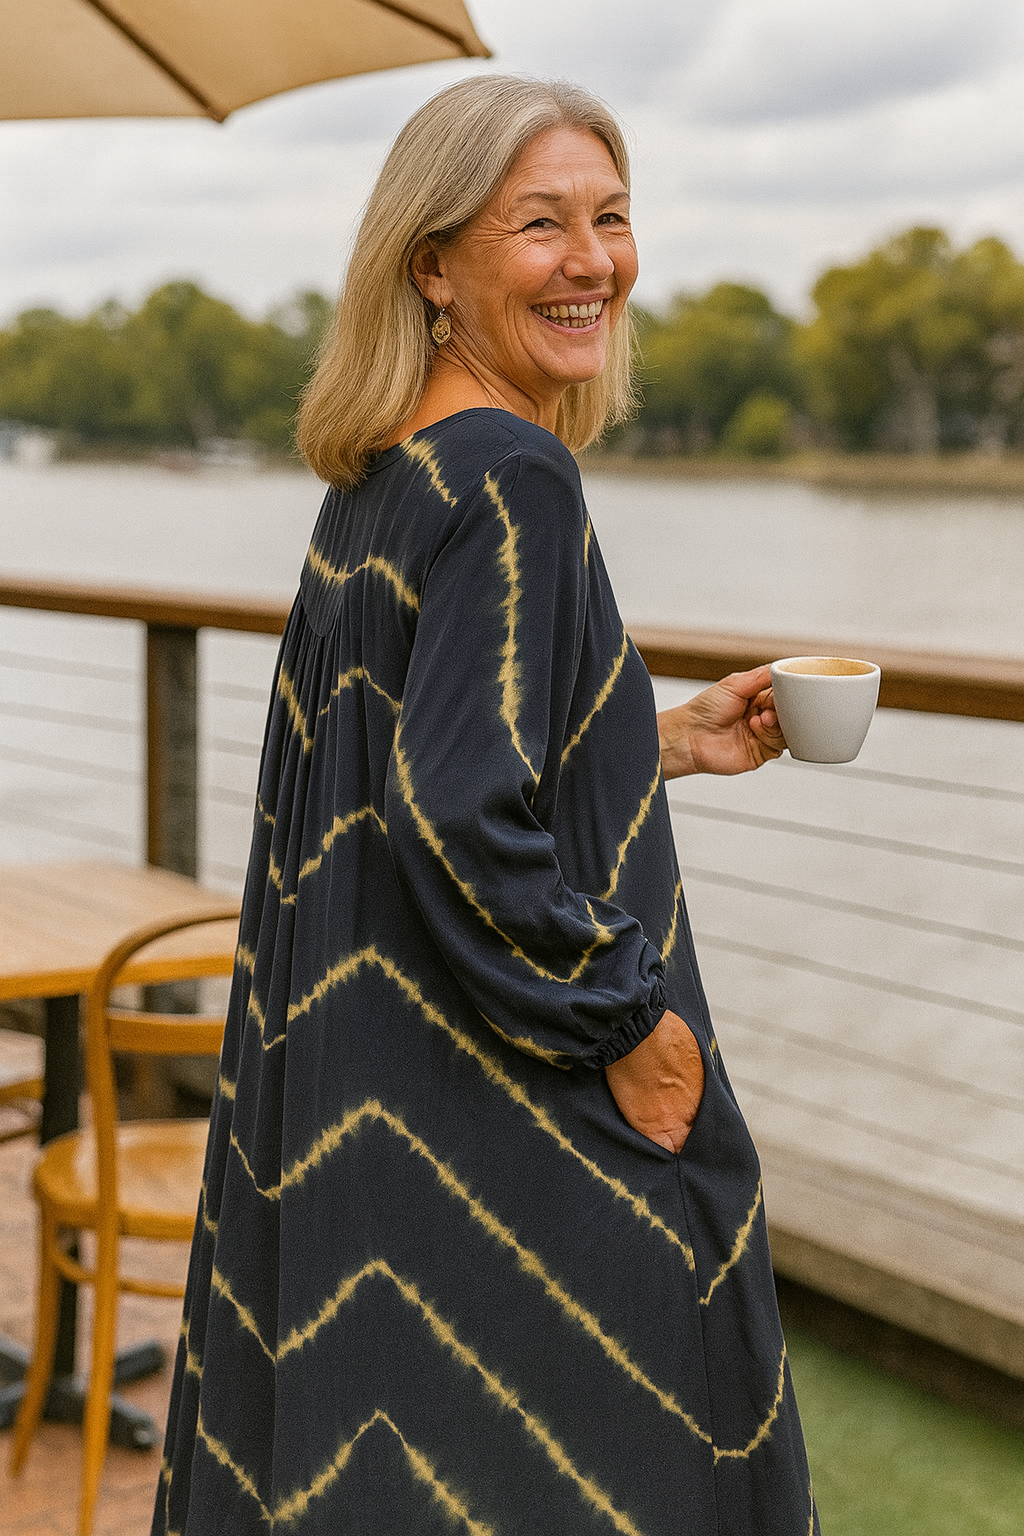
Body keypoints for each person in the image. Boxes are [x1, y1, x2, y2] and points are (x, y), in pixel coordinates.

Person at [154, 75, 819, 1536]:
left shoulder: (392, 470)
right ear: (433, 265)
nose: (593, 262)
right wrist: (630, 1025)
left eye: (611, 218)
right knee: (635, 1427)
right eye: (540, 226)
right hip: (482, 1098)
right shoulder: (517, 476)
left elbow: (409, 747)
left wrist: (658, 740)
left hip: (367, 1080)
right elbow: (455, 812)